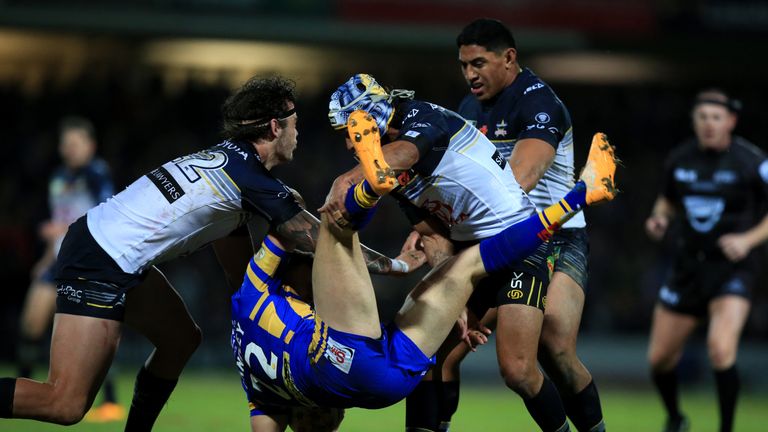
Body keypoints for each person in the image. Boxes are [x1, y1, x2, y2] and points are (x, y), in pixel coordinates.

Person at [0, 76, 414, 430]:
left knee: (180, 338)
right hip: (101, 258)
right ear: (274, 127)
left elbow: (242, 280)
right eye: (294, 124)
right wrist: (394, 266)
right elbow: (325, 239)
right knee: (66, 404)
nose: (298, 133)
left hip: (111, 250)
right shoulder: (251, 179)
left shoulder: (234, 172)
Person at [231, 110, 618, 431]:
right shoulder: (249, 300)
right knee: (337, 224)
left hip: (386, 384)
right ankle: (370, 189)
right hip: (342, 359)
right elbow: (292, 233)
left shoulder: (260, 399)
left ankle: (583, 191)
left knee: (468, 267)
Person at [404, 18, 605, 432]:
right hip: (493, 238)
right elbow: (454, 188)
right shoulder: (467, 109)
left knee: (554, 351)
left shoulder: (539, 104)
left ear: (509, 58)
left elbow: (519, 182)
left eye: (478, 62)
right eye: (463, 65)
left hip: (556, 236)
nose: (469, 74)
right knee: (436, 346)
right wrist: (429, 226)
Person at [645, 89, 768, 432]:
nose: (709, 124)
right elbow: (666, 200)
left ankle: (726, 428)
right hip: (687, 267)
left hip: (732, 270)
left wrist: (747, 239)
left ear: (731, 121)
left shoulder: (752, 161)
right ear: (694, 122)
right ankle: (675, 418)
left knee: (719, 348)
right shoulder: (680, 158)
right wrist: (659, 218)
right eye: (702, 117)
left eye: (716, 117)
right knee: (659, 360)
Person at [15, 116, 125, 422]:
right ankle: (23, 395)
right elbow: (60, 217)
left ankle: (111, 401)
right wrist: (46, 258)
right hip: (58, 262)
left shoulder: (96, 173)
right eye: (66, 144)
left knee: (96, 334)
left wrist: (60, 228)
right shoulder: (60, 177)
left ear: (90, 145)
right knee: (30, 325)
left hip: (85, 265)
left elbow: (103, 214)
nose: (69, 149)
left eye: (76, 143)